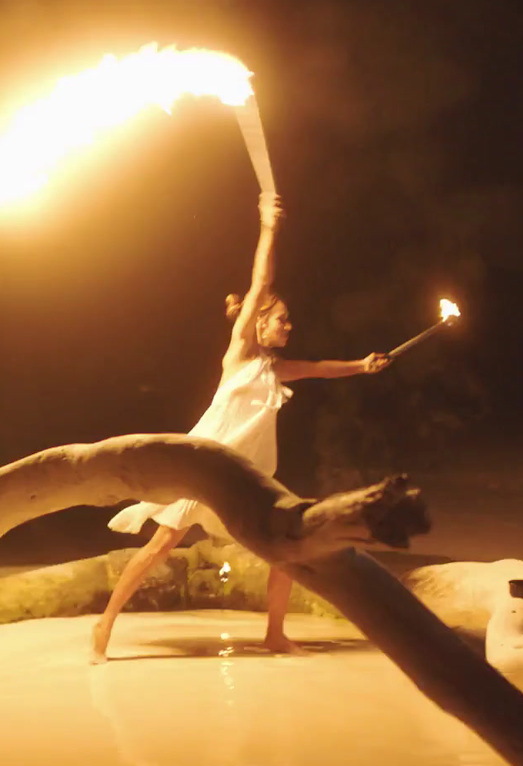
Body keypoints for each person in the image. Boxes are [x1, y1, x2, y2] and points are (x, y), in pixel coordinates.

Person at [91, 197, 390, 662]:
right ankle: (104, 626)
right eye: (281, 320)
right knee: (161, 544)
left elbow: (319, 369)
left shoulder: (275, 371)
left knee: (287, 547)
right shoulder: (240, 358)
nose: (288, 326)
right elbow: (261, 282)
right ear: (259, 323)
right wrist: (268, 227)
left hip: (248, 477)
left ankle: (274, 633)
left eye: (288, 321)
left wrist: (362, 366)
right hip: (206, 464)